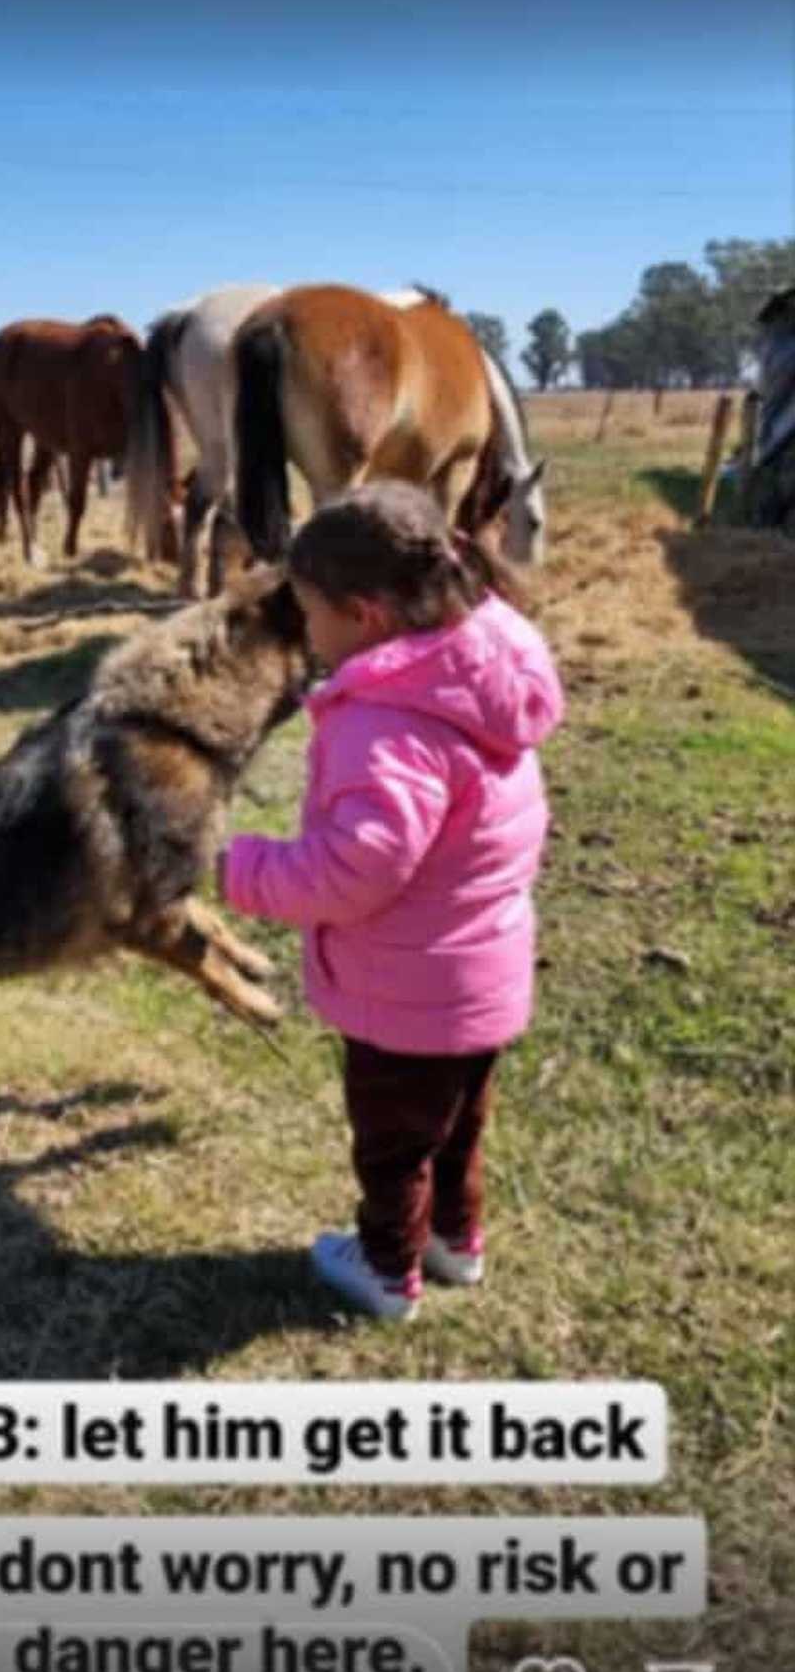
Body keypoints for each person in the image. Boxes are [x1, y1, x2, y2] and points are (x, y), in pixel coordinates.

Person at [218, 480, 564, 1321]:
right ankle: (455, 1242)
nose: (305, 630)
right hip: (482, 978)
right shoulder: (484, 671)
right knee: (456, 1131)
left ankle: (385, 1271)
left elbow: (353, 870)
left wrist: (239, 868)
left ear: (365, 616)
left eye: (309, 611)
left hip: (405, 996)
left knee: (393, 1147)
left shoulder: (387, 725)